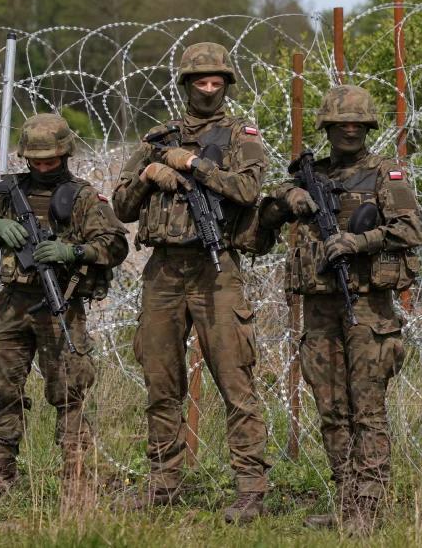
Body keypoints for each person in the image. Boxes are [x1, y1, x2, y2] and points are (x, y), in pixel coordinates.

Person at [110, 42, 271, 524]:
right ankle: (163, 483)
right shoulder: (158, 137)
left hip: (215, 271)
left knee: (235, 381)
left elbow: (247, 190)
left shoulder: (242, 136)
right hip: (163, 271)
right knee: (161, 381)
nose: (207, 88)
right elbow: (120, 207)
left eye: (215, 81)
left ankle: (250, 489)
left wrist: (193, 165)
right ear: (185, 85)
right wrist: (150, 174)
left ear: (226, 84)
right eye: (199, 81)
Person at [256, 84, 422, 535]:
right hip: (320, 308)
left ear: (367, 127)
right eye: (340, 124)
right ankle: (347, 502)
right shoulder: (309, 177)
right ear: (327, 127)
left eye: (356, 124)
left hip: (368, 307)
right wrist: (285, 199)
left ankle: (367, 508)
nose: (348, 131)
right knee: (331, 409)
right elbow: (259, 227)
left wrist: (358, 241)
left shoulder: (384, 175)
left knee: (367, 410)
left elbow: (409, 229)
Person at [0, 113, 128, 505]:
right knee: (4, 389)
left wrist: (73, 250)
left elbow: (116, 245)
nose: (42, 167)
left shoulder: (83, 197)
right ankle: (0, 475)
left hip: (61, 306)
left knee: (69, 393)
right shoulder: (11, 194)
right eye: (35, 161)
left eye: (49, 161)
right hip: (13, 305)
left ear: (65, 155)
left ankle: (75, 479)